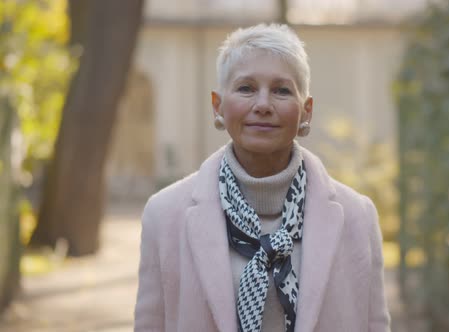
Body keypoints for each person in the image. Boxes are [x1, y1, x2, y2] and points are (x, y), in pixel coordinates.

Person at [134, 23, 390, 332]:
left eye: (281, 91)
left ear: (306, 111)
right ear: (218, 105)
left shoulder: (357, 217)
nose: (263, 105)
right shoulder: (164, 215)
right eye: (246, 88)